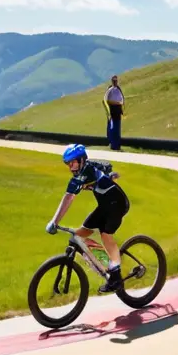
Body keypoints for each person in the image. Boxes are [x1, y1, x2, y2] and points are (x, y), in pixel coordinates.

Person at [45, 144, 129, 293]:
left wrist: (55, 221)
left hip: (118, 204)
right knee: (79, 235)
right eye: (68, 164)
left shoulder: (84, 174)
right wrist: (109, 174)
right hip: (105, 205)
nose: (71, 167)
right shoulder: (87, 167)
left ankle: (115, 273)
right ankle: (106, 265)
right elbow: (105, 165)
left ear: (82, 160)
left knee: (105, 234)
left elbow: (68, 198)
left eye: (73, 163)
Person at [103, 75, 124, 151]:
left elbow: (122, 99)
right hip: (112, 112)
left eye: (116, 81)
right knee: (112, 128)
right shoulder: (110, 89)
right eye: (114, 81)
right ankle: (112, 144)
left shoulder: (118, 89)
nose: (115, 82)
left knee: (117, 129)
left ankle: (117, 146)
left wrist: (121, 108)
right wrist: (116, 103)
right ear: (112, 81)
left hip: (118, 112)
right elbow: (106, 100)